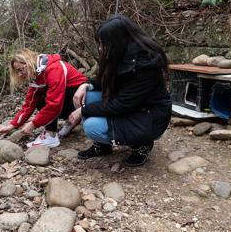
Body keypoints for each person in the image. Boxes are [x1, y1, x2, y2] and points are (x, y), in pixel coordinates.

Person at [67, 15, 172, 167]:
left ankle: (143, 144)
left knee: (91, 126)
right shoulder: (120, 53)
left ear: (117, 41)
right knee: (88, 96)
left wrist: (83, 111)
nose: (101, 47)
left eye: (104, 43)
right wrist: (86, 85)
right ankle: (103, 145)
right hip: (130, 107)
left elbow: (121, 105)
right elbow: (104, 80)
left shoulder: (146, 64)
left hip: (149, 116)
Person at [0, 49, 88, 148]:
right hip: (68, 100)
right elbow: (29, 105)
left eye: (21, 69)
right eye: (17, 72)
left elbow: (54, 104)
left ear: (29, 63)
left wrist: (33, 124)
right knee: (39, 99)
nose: (20, 74)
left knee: (45, 98)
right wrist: (11, 126)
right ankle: (70, 121)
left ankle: (51, 136)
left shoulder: (54, 68)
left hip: (83, 100)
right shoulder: (37, 74)